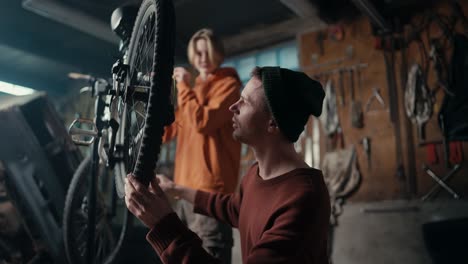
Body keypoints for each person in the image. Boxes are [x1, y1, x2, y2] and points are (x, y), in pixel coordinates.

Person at [125, 66, 331, 263]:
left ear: (273, 123)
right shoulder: (256, 174)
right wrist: (176, 189)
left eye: (245, 102)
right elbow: (234, 208)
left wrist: (162, 224)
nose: (233, 106)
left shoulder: (302, 199)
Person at [159, 28, 242, 262]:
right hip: (182, 190)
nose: (202, 59)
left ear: (218, 53)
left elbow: (202, 122)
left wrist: (183, 87)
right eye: (197, 53)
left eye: (207, 52)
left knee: (210, 256)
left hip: (209, 193)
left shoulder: (229, 86)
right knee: (184, 257)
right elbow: (169, 132)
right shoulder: (193, 92)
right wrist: (156, 106)